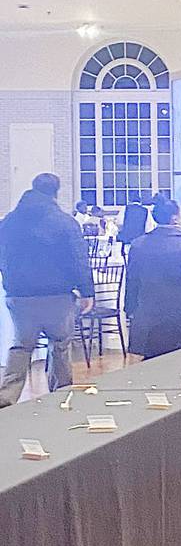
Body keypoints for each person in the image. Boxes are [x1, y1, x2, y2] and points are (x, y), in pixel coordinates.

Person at [0, 173, 95, 406]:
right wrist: (86, 291)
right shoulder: (64, 222)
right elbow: (78, 258)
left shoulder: (9, 221)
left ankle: (6, 396)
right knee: (60, 344)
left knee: (21, 346)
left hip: (20, 295)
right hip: (57, 294)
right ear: (56, 192)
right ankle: (61, 394)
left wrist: (10, 280)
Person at [123, 196, 181, 359]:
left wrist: (130, 310)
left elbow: (132, 282)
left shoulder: (138, 244)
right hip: (179, 319)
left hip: (146, 318)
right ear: (175, 218)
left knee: (149, 367)